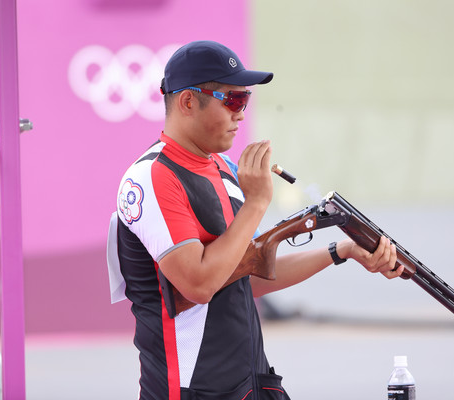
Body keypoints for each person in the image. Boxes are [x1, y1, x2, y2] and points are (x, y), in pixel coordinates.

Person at [110, 40, 403, 400]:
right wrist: (258, 201)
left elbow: (249, 277)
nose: (241, 114)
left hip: (249, 384)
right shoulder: (152, 177)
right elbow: (199, 286)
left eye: (245, 100)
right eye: (232, 100)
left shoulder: (224, 169)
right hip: (193, 391)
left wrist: (342, 250)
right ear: (188, 102)